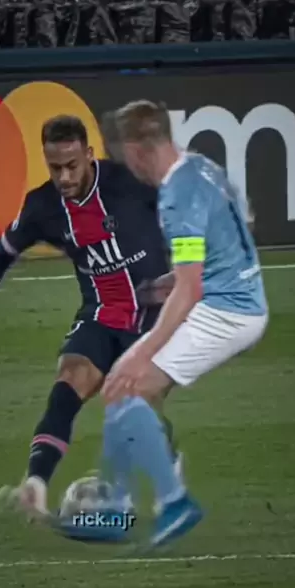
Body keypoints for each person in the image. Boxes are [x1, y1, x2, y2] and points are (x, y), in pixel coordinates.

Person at [0, 115, 182, 519]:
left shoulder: (129, 181)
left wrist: (187, 269)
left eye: (71, 166)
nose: (63, 177)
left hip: (152, 317)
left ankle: (167, 470)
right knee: (68, 382)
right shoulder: (43, 206)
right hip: (99, 314)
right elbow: (3, 253)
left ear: (89, 155)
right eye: (55, 167)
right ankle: (35, 484)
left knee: (135, 407)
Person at [96, 100, 269, 548]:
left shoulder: (176, 196)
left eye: (125, 154)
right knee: (131, 390)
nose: (127, 166)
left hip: (228, 311)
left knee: (127, 383)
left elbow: (190, 291)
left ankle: (167, 503)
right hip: (237, 296)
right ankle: (121, 507)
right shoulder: (201, 167)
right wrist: (166, 283)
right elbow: (242, 223)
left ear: (138, 150)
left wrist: (141, 352)